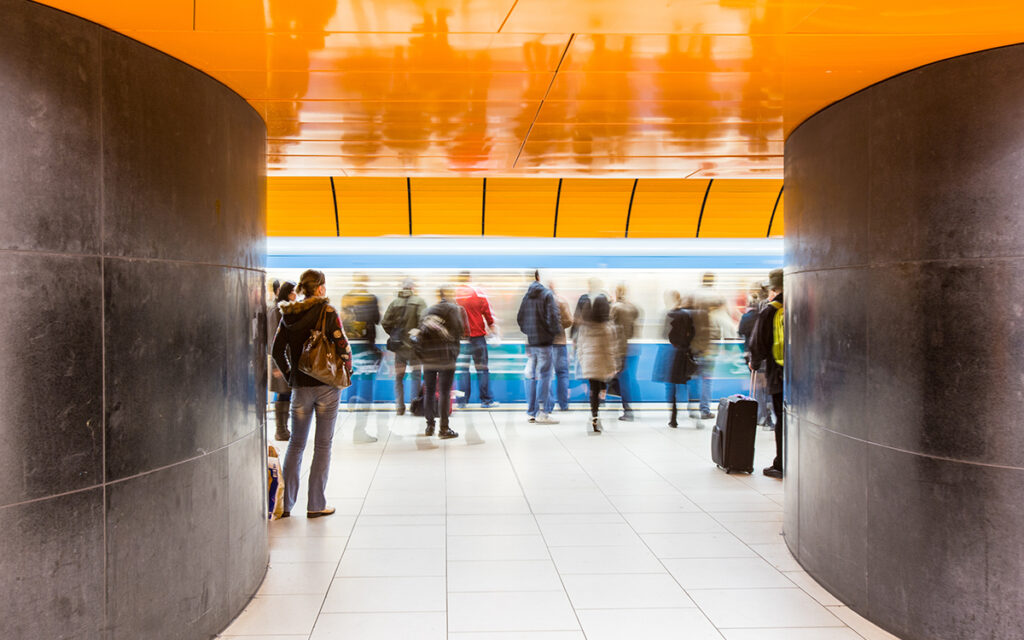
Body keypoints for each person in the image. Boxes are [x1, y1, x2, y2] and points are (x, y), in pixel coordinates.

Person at [272, 269, 351, 518]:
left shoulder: (288, 315)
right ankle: (316, 505)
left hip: (300, 389)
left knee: (296, 444)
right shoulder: (327, 312)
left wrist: (291, 376)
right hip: (327, 387)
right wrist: (347, 371)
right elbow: (343, 346)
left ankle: (286, 505)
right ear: (319, 288)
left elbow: (276, 351)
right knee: (322, 445)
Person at [414, 284, 465, 439]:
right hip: (446, 358)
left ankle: (429, 426)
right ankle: (444, 428)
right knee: (444, 392)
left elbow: (418, 334)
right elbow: (460, 331)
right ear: (449, 294)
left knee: (429, 391)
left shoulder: (427, 311)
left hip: (428, 358)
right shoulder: (454, 309)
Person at [749, 268, 785, 479]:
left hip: (779, 373)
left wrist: (754, 362)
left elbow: (758, 344)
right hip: (807, 375)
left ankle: (780, 463)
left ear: (773, 287)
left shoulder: (771, 309)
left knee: (781, 417)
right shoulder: (804, 303)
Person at [517, 270, 561, 424]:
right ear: (539, 277)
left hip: (532, 342)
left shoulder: (527, 296)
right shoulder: (547, 295)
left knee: (531, 376)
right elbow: (553, 318)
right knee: (545, 376)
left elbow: (520, 318)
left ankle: (531, 412)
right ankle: (543, 412)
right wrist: (552, 333)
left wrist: (530, 332)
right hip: (544, 343)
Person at [382, 278, 426, 416]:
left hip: (399, 348)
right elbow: (424, 322)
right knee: (416, 376)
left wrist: (394, 335)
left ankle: (400, 407)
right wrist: (417, 335)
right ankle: (414, 406)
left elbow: (385, 322)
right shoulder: (419, 302)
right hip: (415, 348)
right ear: (413, 288)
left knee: (399, 377)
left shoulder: (394, 303)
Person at [455, 271, 499, 408]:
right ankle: (486, 400)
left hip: (462, 339)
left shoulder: (455, 295)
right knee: (482, 369)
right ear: (469, 278)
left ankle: (462, 402)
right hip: (478, 338)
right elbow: (488, 313)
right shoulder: (478, 292)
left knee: (463, 370)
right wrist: (493, 330)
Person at [577, 295, 621, 433]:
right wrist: (613, 366)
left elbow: (580, 346)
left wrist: (582, 360)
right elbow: (611, 348)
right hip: (602, 363)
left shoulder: (584, 327)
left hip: (589, 363)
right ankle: (598, 412)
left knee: (593, 389)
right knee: (600, 389)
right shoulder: (608, 327)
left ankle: (594, 417)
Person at [654, 291, 696, 428]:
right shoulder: (686, 315)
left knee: (670, 386)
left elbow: (663, 334)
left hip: (669, 353)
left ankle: (673, 416)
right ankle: (692, 410)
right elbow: (692, 334)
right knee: (683, 383)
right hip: (682, 353)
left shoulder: (668, 315)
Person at [341, 273, 382, 409]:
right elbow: (376, 319)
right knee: (367, 378)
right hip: (366, 344)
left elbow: (343, 319)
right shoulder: (371, 299)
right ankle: (365, 406)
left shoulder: (346, 298)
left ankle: (350, 405)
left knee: (352, 375)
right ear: (366, 281)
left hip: (350, 344)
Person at [738, 292, 773, 429]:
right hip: (767, 356)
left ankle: (761, 416)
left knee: (758, 387)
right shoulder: (766, 315)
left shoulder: (747, 317)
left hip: (753, 356)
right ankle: (769, 417)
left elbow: (741, 332)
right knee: (767, 387)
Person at [268, 280, 297, 441]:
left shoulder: (288, 310)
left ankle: (284, 429)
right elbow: (274, 340)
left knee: (286, 393)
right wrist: (276, 365)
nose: (295, 295)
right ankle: (280, 430)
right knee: (283, 393)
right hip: (280, 361)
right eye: (293, 292)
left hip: (288, 360)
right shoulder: (276, 311)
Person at [610, 283, 640, 421]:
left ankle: (628, 411)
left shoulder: (615, 307)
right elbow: (633, 329)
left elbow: (610, 328)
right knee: (630, 378)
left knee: (623, 380)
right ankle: (634, 407)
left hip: (620, 348)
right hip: (634, 348)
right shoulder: (633, 308)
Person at [544, 280, 574, 414]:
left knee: (547, 375)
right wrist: (559, 326)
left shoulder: (541, 302)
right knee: (562, 374)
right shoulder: (561, 301)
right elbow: (569, 320)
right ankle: (563, 405)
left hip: (545, 343)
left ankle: (548, 406)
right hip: (560, 342)